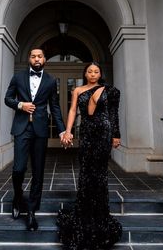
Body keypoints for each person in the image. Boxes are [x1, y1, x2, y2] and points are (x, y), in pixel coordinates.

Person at [58, 62, 122, 249]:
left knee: (100, 173)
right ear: (85, 73)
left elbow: (113, 114)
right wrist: (68, 131)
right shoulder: (77, 90)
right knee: (86, 171)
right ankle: (84, 214)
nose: (93, 74)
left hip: (103, 132)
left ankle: (100, 215)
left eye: (96, 71)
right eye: (89, 71)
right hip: (86, 132)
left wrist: (116, 135)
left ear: (100, 74)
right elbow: (72, 111)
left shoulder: (109, 90)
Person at [5, 48, 66, 231]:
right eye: (33, 56)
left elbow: (54, 107)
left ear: (45, 59)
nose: (36, 59)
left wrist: (62, 130)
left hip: (40, 130)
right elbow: (8, 99)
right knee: (18, 168)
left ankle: (32, 211)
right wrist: (21, 105)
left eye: (40, 56)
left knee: (38, 172)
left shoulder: (50, 80)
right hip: (21, 128)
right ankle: (17, 197)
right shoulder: (18, 78)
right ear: (29, 59)